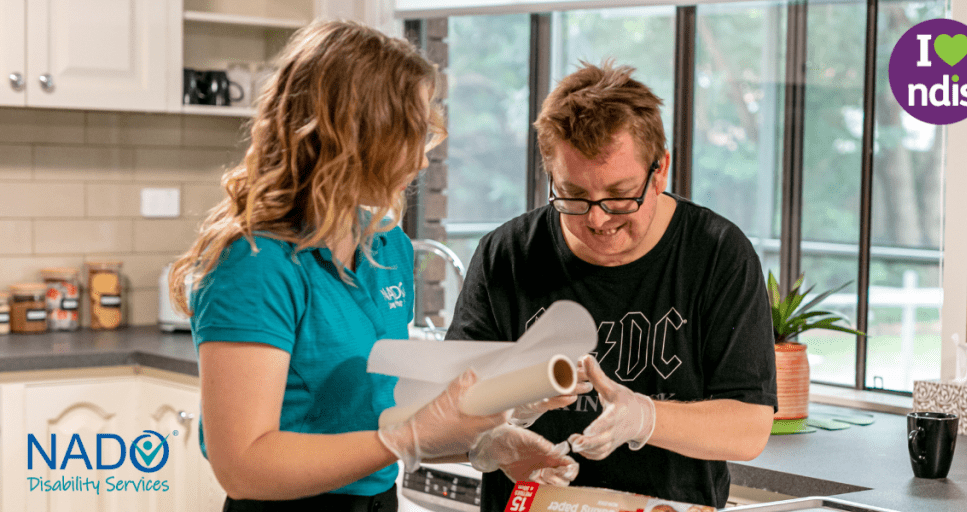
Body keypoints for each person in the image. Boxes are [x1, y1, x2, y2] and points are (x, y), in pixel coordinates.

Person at [169, 20, 513, 512]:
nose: (422, 158)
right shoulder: (253, 265)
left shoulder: (387, 246)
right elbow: (242, 465)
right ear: (352, 137)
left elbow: (373, 419)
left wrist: (483, 445)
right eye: (409, 132)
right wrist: (411, 437)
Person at [446, 62, 777, 510]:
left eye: (620, 195)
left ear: (660, 170)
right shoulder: (506, 255)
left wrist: (645, 417)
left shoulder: (717, 255)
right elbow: (446, 414)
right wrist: (492, 440)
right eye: (574, 196)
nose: (598, 219)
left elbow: (748, 428)